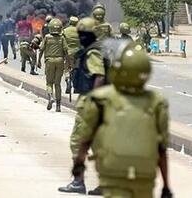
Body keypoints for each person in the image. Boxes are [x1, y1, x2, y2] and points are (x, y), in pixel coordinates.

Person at [66, 43, 172, 198]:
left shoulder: (103, 98)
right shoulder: (156, 101)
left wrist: (78, 169)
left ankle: (79, 182)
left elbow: (85, 140)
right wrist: (166, 186)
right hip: (143, 173)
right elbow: (161, 148)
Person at [59, 16, 108, 194]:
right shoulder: (96, 50)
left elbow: (99, 75)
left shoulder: (93, 52)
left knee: (77, 142)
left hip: (89, 105)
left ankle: (78, 182)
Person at [41, 18, 66, 112]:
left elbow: (41, 49)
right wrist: (69, 63)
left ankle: (51, 97)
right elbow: (66, 51)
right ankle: (58, 106)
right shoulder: (62, 38)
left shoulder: (47, 37)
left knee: (49, 83)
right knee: (57, 84)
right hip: (60, 61)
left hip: (49, 61)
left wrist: (38, 60)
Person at [63, 16, 81, 96]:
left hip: (68, 53)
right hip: (78, 54)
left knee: (66, 68)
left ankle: (68, 81)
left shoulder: (65, 31)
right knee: (76, 69)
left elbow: (62, 41)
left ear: (70, 22)